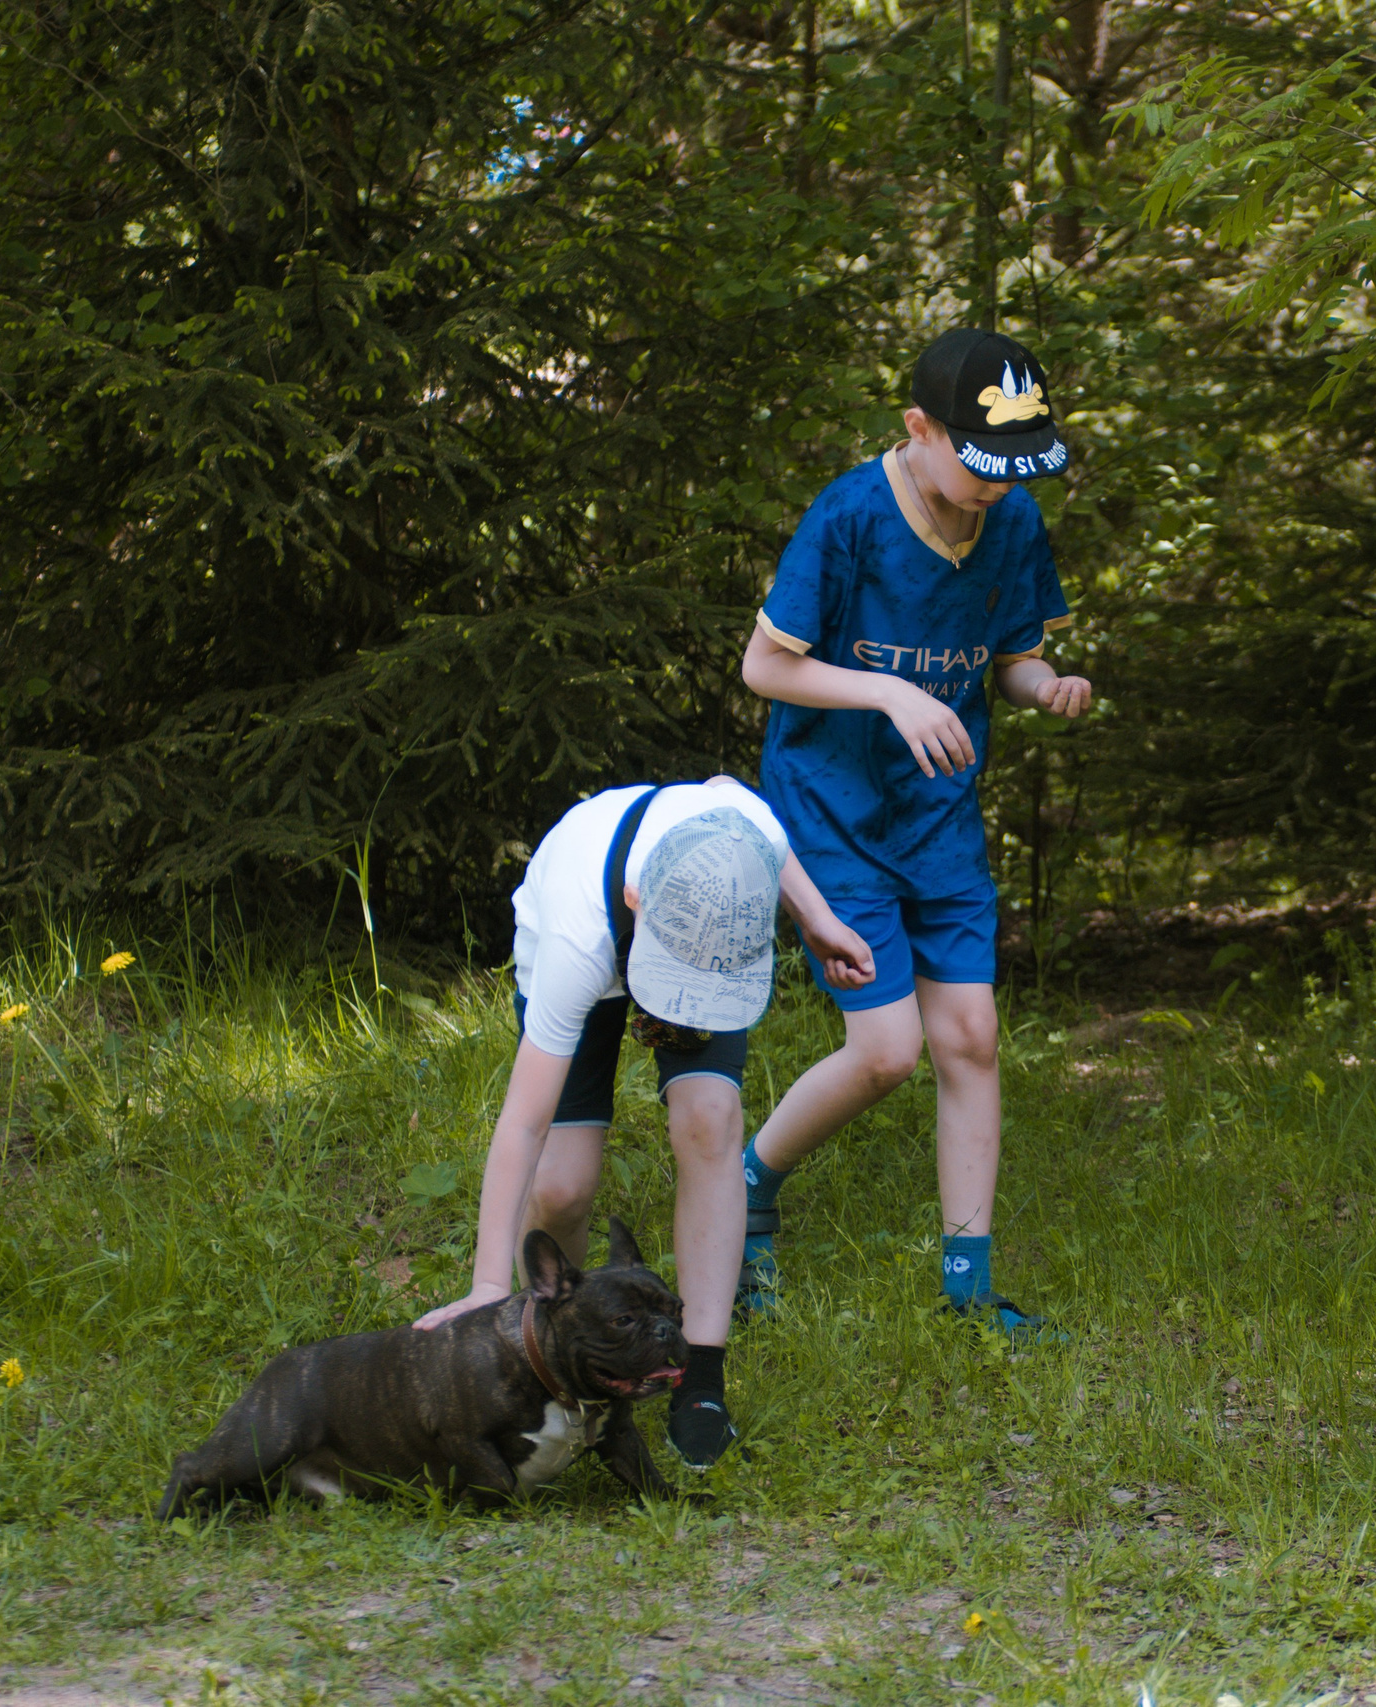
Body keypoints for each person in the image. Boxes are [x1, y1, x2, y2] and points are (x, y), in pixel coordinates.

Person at [736, 326, 1092, 1337]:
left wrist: (1043, 686)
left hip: (938, 819)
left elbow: (1011, 659)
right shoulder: (848, 516)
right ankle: (750, 1184)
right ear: (917, 428)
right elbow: (766, 667)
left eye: (1016, 470)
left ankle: (969, 1292)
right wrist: (889, 694)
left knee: (970, 1037)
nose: (997, 488)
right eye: (980, 465)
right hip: (832, 815)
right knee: (887, 1051)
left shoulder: (1010, 520)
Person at [413, 776, 872, 1467]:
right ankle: (558, 1347)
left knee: (710, 1118)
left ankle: (703, 1380)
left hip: (708, 948)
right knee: (564, 1184)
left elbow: (755, 820)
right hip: (591, 938)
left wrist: (814, 917)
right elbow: (522, 1124)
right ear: (637, 900)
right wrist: (486, 1284)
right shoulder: (576, 939)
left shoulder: (739, 826)